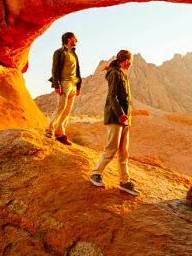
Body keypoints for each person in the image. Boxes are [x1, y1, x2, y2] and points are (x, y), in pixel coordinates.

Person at [89, 49, 140, 196]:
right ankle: (96, 173)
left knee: (124, 152)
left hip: (124, 120)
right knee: (111, 149)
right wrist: (120, 114)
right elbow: (112, 96)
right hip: (115, 118)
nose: (130, 64)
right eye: (129, 61)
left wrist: (127, 117)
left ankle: (125, 181)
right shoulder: (114, 74)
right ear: (124, 60)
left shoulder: (123, 74)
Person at [45, 32, 82, 145]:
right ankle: (49, 130)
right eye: (75, 38)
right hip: (64, 83)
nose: (77, 40)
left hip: (73, 85)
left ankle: (60, 134)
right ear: (69, 39)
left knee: (67, 112)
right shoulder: (59, 52)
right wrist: (57, 85)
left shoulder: (74, 54)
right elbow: (55, 69)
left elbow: (77, 72)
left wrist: (78, 86)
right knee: (61, 107)